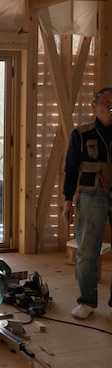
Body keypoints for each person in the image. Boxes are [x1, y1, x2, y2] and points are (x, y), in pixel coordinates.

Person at [62, 86, 112, 319]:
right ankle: (87, 302)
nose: (110, 105)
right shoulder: (81, 134)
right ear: (94, 106)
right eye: (106, 101)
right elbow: (71, 168)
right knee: (87, 250)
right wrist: (67, 200)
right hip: (92, 196)